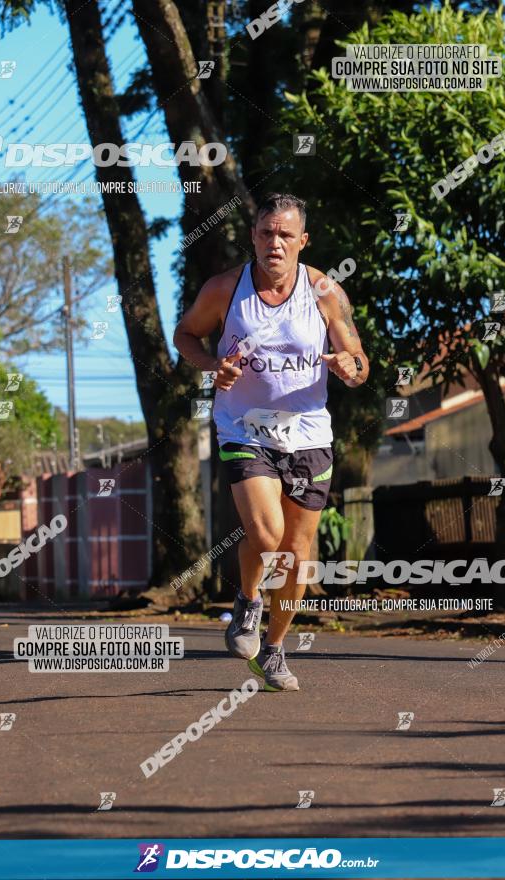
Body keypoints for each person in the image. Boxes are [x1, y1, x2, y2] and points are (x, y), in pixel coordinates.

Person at [173, 193, 369, 691]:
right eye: (266, 233)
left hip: (307, 433)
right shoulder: (224, 290)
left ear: (302, 241)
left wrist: (351, 367)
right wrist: (211, 366)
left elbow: (358, 358)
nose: (274, 243)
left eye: (285, 235)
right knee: (265, 533)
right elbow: (186, 336)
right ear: (253, 237)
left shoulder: (325, 292)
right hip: (244, 426)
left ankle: (275, 649)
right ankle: (248, 600)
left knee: (298, 553)